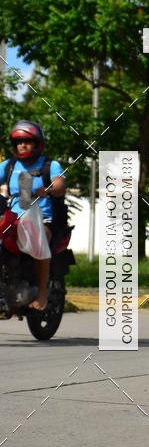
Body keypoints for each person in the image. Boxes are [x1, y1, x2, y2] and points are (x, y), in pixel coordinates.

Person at [0, 120, 66, 310]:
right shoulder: (10, 165)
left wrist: (51, 188)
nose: (22, 145)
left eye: (27, 141)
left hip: (42, 219)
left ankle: (43, 295)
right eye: (19, 141)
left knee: (39, 240)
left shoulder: (49, 164)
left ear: (38, 143)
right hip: (13, 218)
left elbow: (60, 184)